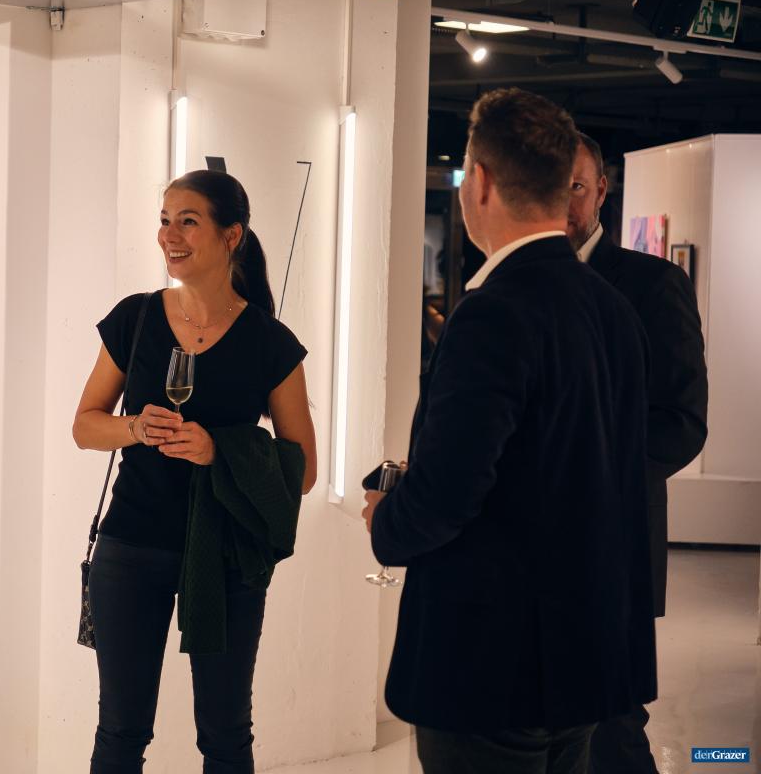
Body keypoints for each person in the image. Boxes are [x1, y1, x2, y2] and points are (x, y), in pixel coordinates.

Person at [362, 88, 657, 774]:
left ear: (483, 182)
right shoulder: (612, 308)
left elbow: (448, 492)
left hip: (490, 665)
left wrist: (385, 519)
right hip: (582, 657)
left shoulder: (492, 312)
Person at [72, 170, 316, 773]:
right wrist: (136, 428)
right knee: (120, 730)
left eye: (188, 221)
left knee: (226, 735)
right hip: (131, 545)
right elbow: (85, 425)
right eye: (164, 220)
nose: (169, 235)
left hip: (227, 552)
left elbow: (303, 468)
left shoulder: (270, 342)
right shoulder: (135, 319)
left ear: (232, 236)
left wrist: (220, 451)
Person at [567, 131, 709, 774]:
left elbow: (681, 423)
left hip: (615, 547)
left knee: (613, 734)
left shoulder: (653, 283)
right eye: (549, 184)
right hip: (522, 556)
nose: (562, 201)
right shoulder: (505, 284)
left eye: (576, 185)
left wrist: (580, 478)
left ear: (601, 189)